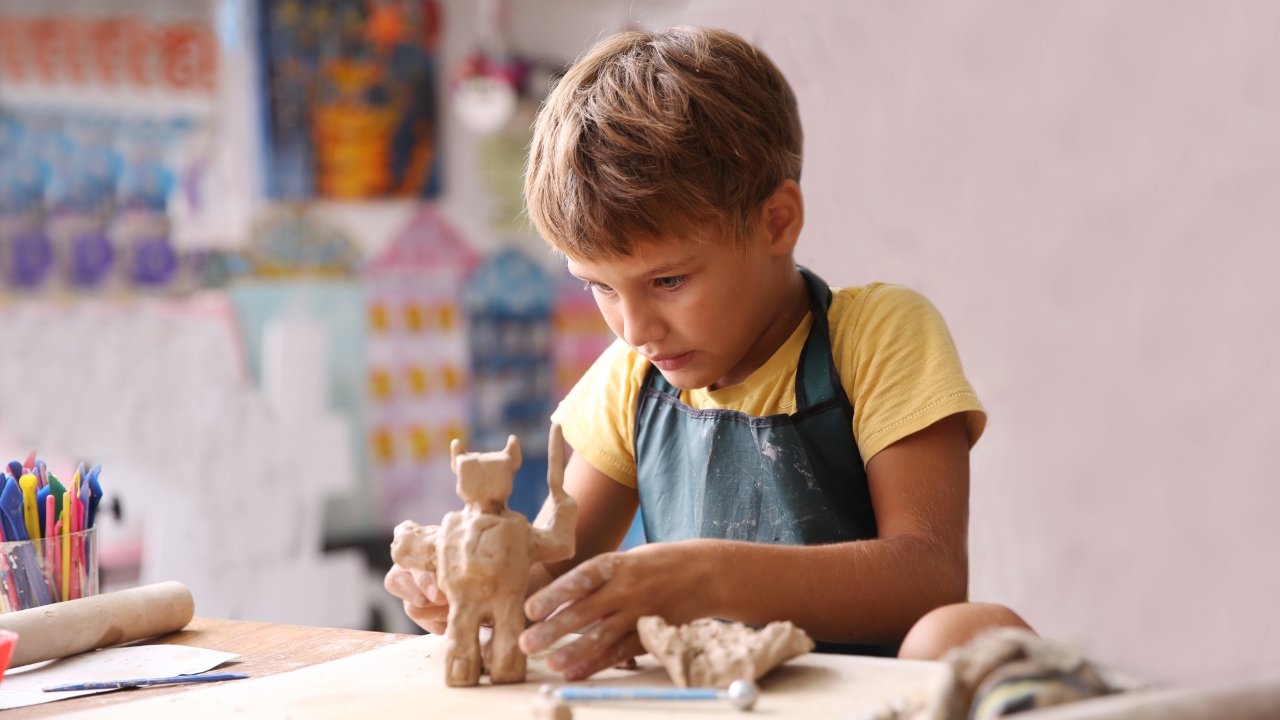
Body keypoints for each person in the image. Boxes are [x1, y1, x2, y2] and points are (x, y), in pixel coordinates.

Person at [385, 26, 1032, 680]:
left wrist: (706, 576)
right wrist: (483, 590)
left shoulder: (877, 335)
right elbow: (559, 578)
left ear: (776, 222)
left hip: (865, 701)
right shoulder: (633, 377)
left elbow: (929, 577)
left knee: (971, 630)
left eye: (668, 281)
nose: (634, 329)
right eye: (600, 288)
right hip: (707, 701)